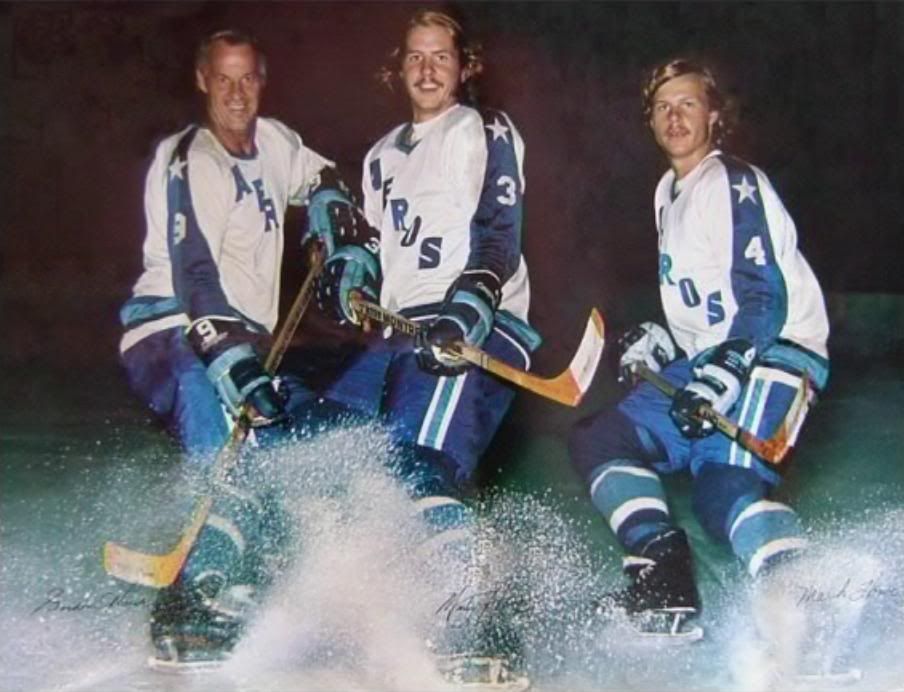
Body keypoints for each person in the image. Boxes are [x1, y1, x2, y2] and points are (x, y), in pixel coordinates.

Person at [309, 9, 538, 686]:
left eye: (442, 56)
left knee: (422, 461)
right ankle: (352, 603)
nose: (428, 69)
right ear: (398, 67)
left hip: (477, 325)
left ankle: (478, 614)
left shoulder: (482, 129)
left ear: (464, 67)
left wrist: (467, 308)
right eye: (416, 56)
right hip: (400, 331)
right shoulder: (380, 155)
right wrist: (347, 270)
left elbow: (499, 233)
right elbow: (377, 254)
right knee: (325, 445)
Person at [118, 29, 358, 666]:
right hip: (171, 330)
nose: (235, 93)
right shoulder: (190, 159)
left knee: (279, 443)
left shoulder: (275, 140)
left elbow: (321, 174)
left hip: (242, 339)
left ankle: (253, 565)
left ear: (262, 81)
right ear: (203, 81)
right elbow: (195, 273)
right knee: (219, 434)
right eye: (222, 79)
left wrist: (331, 208)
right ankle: (192, 593)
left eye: (246, 78)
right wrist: (228, 355)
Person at [568, 58, 830, 641]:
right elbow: (705, 303)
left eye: (687, 103)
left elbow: (763, 297)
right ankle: (663, 580)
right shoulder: (668, 192)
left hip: (776, 352)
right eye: (662, 106)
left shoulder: (732, 181)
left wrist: (724, 372)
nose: (674, 116)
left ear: (714, 115)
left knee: (723, 487)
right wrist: (664, 342)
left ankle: (806, 606)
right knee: (600, 439)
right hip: (716, 355)